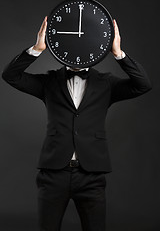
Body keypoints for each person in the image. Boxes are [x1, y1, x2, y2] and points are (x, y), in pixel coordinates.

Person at [2, 16, 152, 231]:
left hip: (91, 175)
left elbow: (143, 85)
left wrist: (118, 53)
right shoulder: (49, 82)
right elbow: (10, 76)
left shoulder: (106, 84)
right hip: (54, 174)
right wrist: (37, 48)